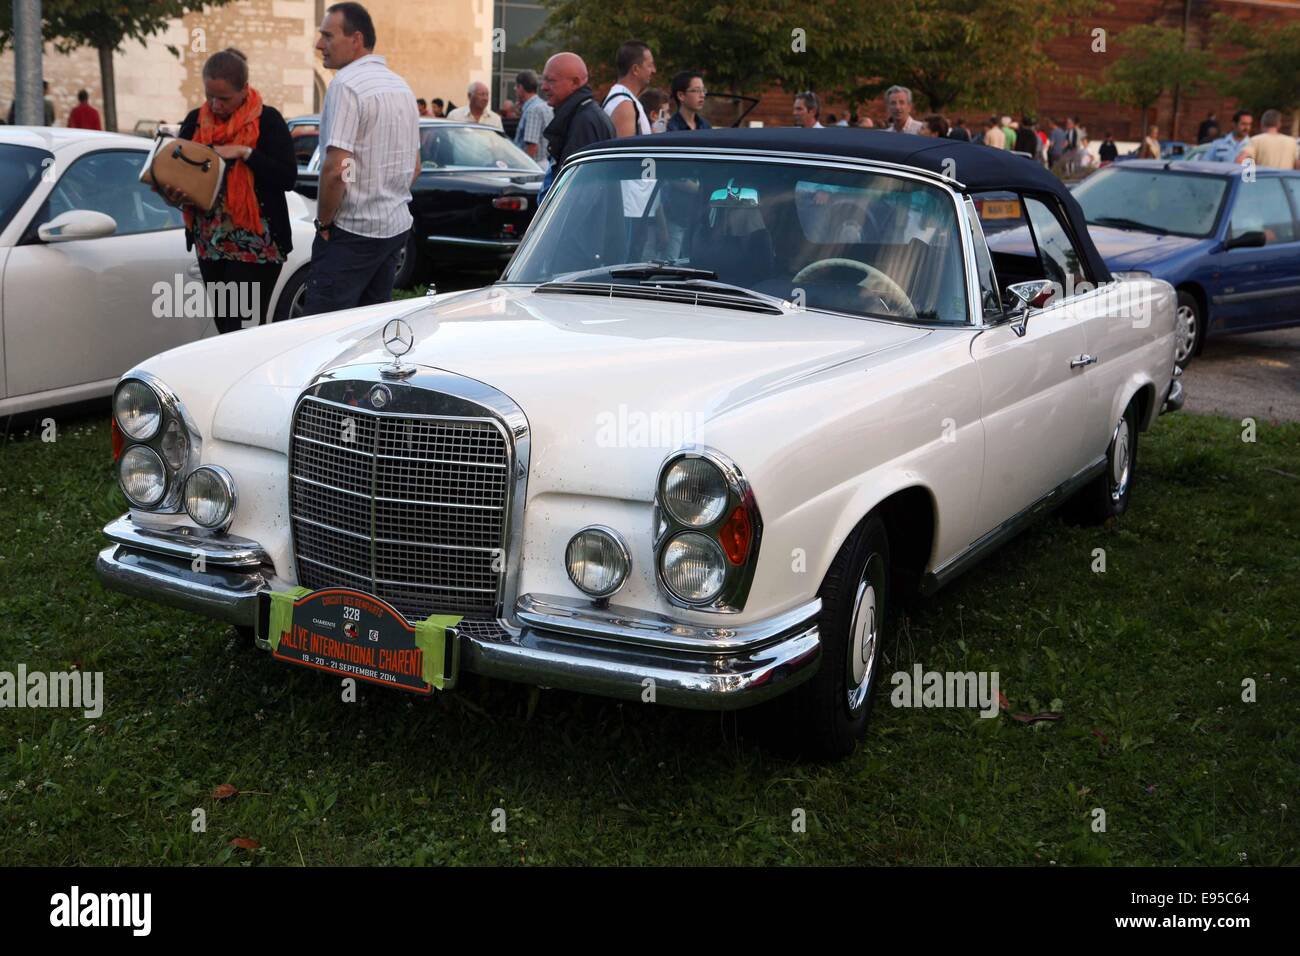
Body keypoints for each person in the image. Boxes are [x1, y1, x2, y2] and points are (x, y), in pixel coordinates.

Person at [159, 49, 296, 334]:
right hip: (211, 241)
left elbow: (287, 177)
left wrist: (245, 153)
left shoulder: (267, 121)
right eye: (210, 95)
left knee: (250, 328)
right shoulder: (195, 121)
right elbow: (179, 176)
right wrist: (172, 194)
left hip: (258, 245)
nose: (215, 104)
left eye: (224, 98)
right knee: (226, 326)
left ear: (244, 90)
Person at [305, 1, 420, 315]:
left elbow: (337, 170)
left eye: (327, 36)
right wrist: (380, 191)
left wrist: (324, 224)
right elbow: (415, 165)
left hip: (351, 233)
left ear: (355, 40)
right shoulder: (401, 87)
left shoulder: (345, 85)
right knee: (369, 333)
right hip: (394, 228)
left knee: (322, 334)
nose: (319, 45)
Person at [538, 51, 616, 199]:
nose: (544, 87)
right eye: (544, 80)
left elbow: (579, 191)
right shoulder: (581, 115)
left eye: (551, 81)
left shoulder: (585, 121)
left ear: (575, 82)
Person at [603, 40, 655, 137]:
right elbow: (624, 150)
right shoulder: (624, 105)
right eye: (650, 65)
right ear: (635, 69)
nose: (653, 70)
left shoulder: (623, 100)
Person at [513, 69, 553, 168]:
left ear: (521, 87)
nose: (515, 89)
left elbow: (531, 146)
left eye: (516, 86)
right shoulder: (545, 106)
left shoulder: (533, 110)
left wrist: (524, 169)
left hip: (533, 167)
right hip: (545, 164)